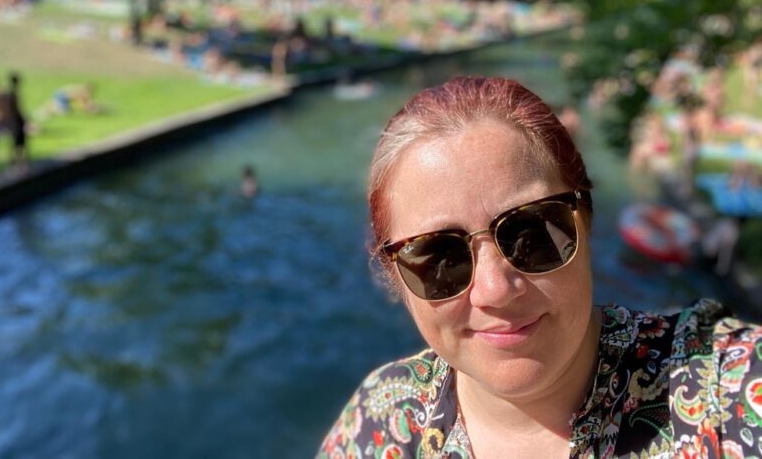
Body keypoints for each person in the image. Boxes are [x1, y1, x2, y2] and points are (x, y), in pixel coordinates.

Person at [317, 77, 762, 458]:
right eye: (439, 257)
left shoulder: (724, 388)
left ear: (585, 222)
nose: (495, 289)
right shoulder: (376, 423)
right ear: (394, 275)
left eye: (533, 233)